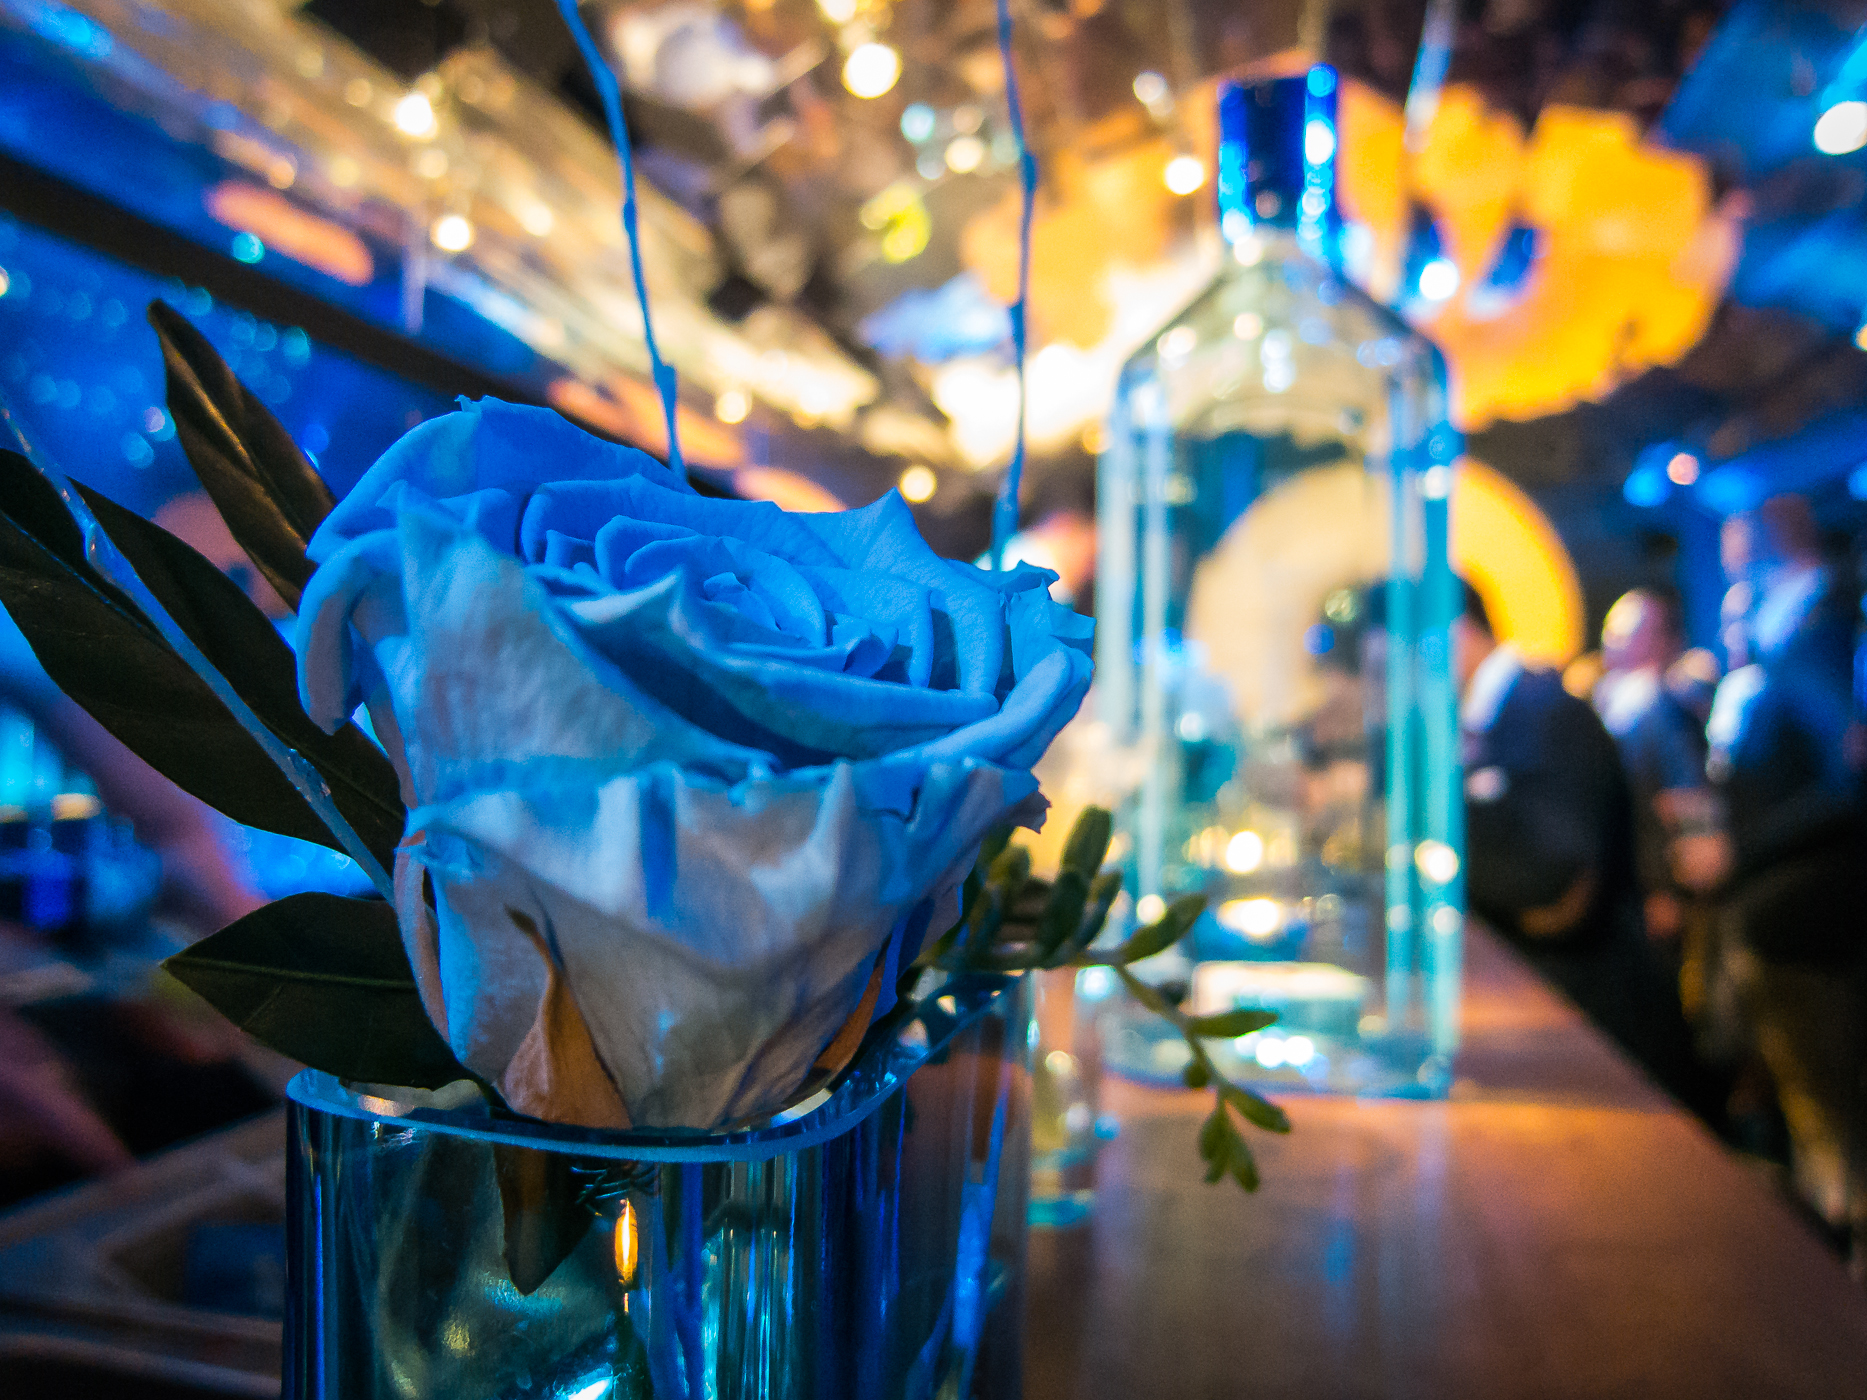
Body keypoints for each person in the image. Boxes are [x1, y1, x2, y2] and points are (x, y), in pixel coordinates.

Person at [1453, 579, 1704, 1105]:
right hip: (1559, 1011)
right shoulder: (1511, 709)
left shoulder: (1544, 709)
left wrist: (1440, 834)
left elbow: (1557, 881)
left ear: (1456, 632)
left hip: (1599, 1021)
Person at [1710, 495, 1867, 1265]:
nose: (1732, 583)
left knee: (1832, 1119)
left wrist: (1739, 856)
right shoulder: (1801, 638)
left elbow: (1847, 772)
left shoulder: (1818, 634)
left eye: (1739, 563)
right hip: (1797, 892)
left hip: (1815, 902)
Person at [1593, 587, 1723, 950]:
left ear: (1666, 642)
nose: (1612, 641)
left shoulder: (1656, 704)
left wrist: (1665, 888)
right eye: (1610, 630)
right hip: (1624, 883)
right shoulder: (1610, 696)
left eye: (1627, 633)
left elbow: (1687, 797)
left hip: (1652, 891)